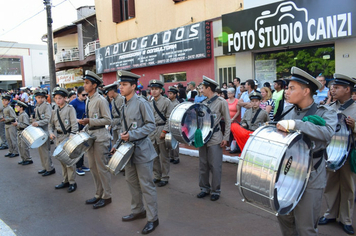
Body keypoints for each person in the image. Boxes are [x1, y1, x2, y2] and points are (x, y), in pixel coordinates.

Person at [275, 67, 337, 236]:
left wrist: (297, 125)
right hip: (287, 173)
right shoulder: (288, 112)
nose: (287, 91)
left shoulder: (325, 113)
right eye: (287, 88)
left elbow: (327, 134)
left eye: (291, 88)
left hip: (312, 174)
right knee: (285, 218)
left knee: (305, 227)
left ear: (306, 91)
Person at [111, 70, 159, 235]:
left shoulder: (141, 102)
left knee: (146, 185)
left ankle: (153, 218)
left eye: (124, 85)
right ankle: (138, 210)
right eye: (120, 84)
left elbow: (150, 125)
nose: (121, 87)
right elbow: (125, 127)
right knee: (131, 183)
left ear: (133, 86)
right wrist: (117, 143)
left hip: (142, 151)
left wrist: (131, 135)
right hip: (128, 151)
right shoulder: (124, 103)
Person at [318, 74, 356, 235]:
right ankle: (330, 214)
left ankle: (346, 219)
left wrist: (355, 127)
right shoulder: (330, 108)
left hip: (349, 153)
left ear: (347, 89)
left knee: (348, 186)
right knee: (331, 184)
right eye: (332, 87)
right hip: (331, 154)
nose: (332, 90)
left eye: (337, 87)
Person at [78, 70, 112, 209]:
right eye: (84, 83)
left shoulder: (100, 100)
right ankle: (98, 193)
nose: (84, 85)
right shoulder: (88, 100)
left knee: (102, 168)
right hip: (91, 137)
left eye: (87, 83)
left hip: (100, 138)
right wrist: (84, 125)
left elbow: (108, 120)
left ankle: (107, 196)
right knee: (92, 167)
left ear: (95, 85)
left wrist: (89, 120)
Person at [197, 76, 231, 201]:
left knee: (215, 165)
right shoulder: (203, 103)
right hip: (203, 138)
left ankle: (215, 190)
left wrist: (226, 138)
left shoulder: (221, 102)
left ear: (209, 88)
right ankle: (204, 188)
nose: (201, 90)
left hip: (215, 137)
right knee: (203, 165)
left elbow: (228, 121)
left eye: (203, 87)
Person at [49, 87, 78, 193]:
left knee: (69, 161)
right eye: (56, 98)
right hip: (59, 138)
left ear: (65, 98)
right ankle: (65, 180)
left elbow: (74, 124)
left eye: (60, 98)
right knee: (62, 160)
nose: (57, 100)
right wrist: (51, 132)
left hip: (68, 138)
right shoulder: (54, 110)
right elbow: (50, 125)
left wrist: (72, 136)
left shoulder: (70, 109)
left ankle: (72, 182)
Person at [149, 80, 174, 187]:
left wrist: (165, 131)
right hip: (152, 131)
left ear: (160, 90)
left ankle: (165, 177)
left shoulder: (166, 102)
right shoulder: (150, 102)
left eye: (156, 89)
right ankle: (157, 176)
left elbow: (170, 118)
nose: (154, 91)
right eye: (152, 89)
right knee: (154, 156)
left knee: (164, 156)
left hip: (161, 129)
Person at [33, 88, 55, 176]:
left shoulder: (46, 106)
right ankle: (44, 167)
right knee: (41, 150)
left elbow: (48, 119)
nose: (40, 99)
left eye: (42, 97)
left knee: (45, 150)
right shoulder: (37, 106)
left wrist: (38, 123)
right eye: (38, 97)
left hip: (45, 130)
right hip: (39, 131)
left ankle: (50, 168)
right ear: (35, 98)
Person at [70, 86, 90, 175]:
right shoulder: (73, 103)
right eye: (83, 95)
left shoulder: (87, 101)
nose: (85, 96)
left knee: (83, 146)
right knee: (78, 147)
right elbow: (70, 115)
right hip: (77, 126)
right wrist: (78, 120)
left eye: (86, 94)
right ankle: (78, 166)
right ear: (78, 94)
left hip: (84, 126)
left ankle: (82, 164)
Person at [13, 101, 32, 165]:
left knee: (24, 146)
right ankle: (23, 158)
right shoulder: (20, 114)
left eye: (17, 107)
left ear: (21, 108)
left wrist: (17, 124)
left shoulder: (24, 115)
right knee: (20, 146)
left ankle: (28, 159)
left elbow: (26, 125)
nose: (16, 108)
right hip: (19, 131)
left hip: (23, 131)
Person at [167, 86, 180, 164]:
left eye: (171, 93)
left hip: (174, 123)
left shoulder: (176, 104)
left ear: (175, 95)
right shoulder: (168, 102)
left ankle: (176, 157)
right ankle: (171, 157)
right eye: (169, 93)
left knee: (175, 141)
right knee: (169, 141)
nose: (169, 95)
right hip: (168, 123)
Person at [226, 87, 240, 153]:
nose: (228, 94)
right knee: (229, 133)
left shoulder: (237, 101)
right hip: (228, 120)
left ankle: (235, 146)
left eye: (229, 93)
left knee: (235, 133)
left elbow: (238, 111)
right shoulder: (226, 101)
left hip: (235, 120)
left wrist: (233, 118)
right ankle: (230, 145)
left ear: (233, 94)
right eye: (227, 93)